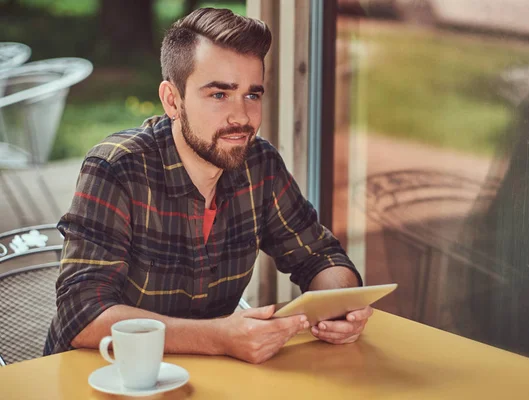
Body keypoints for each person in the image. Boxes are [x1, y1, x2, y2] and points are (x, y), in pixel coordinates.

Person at [44, 7, 371, 364]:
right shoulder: (117, 167)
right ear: (173, 100)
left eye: (252, 95)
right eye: (219, 95)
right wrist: (220, 338)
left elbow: (321, 258)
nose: (242, 117)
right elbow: (82, 315)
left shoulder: (258, 163)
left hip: (205, 378)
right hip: (102, 377)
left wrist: (342, 307)